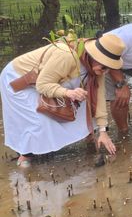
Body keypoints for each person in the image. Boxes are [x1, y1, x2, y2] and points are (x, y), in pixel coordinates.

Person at [1, 34, 125, 167]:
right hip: (19, 80)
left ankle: (88, 134)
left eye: (109, 68)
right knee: (38, 120)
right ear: (94, 56)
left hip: (47, 79)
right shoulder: (67, 56)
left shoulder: (96, 69)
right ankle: (26, 154)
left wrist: (103, 131)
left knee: (84, 97)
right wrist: (67, 92)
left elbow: (99, 99)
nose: (105, 72)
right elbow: (42, 85)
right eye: (104, 67)